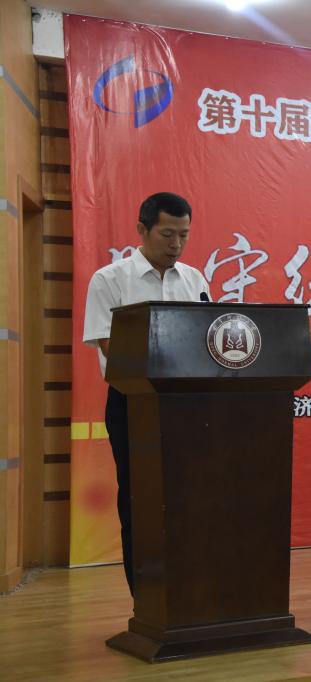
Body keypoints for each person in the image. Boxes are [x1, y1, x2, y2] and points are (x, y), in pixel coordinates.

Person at [82, 192, 210, 593]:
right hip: (133, 403)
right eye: (167, 234)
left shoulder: (195, 280)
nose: (176, 244)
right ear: (142, 229)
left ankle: (188, 585)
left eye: (184, 235)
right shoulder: (110, 280)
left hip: (187, 405)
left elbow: (207, 341)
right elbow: (111, 347)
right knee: (140, 497)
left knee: (189, 494)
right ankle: (146, 593)